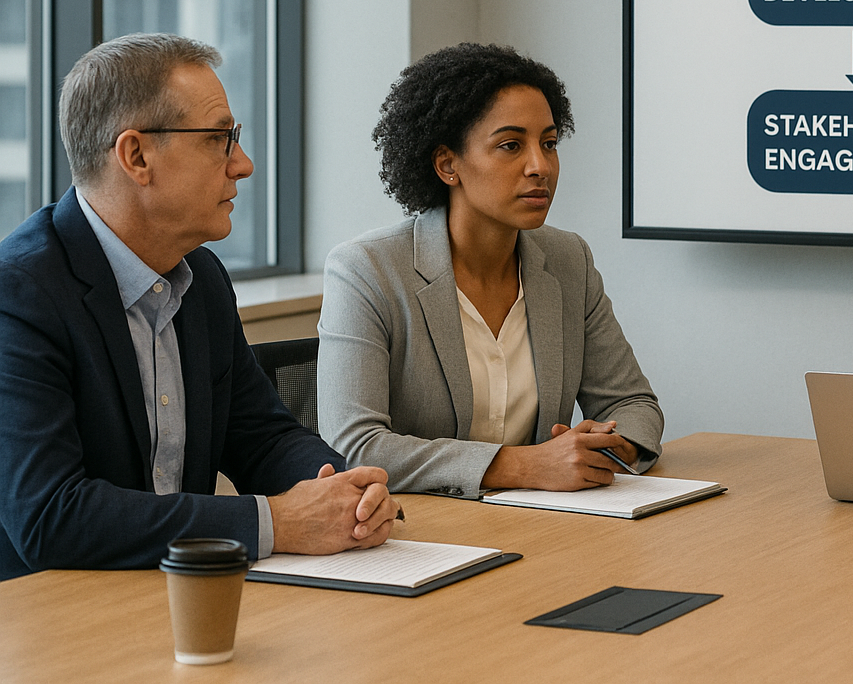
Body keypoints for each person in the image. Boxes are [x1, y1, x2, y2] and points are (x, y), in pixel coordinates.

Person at [0, 34, 400, 582]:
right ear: (136, 155)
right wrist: (276, 522)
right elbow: (50, 517)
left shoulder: (202, 276)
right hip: (54, 622)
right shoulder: (20, 293)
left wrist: (343, 488)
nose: (244, 164)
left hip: (178, 596)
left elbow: (262, 437)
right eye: (219, 139)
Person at [317, 42, 663, 496]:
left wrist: (608, 447)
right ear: (447, 164)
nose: (540, 167)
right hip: (419, 537)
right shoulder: (366, 270)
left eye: (549, 144)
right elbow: (356, 448)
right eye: (510, 145)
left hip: (546, 525)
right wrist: (523, 466)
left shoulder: (568, 260)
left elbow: (634, 404)